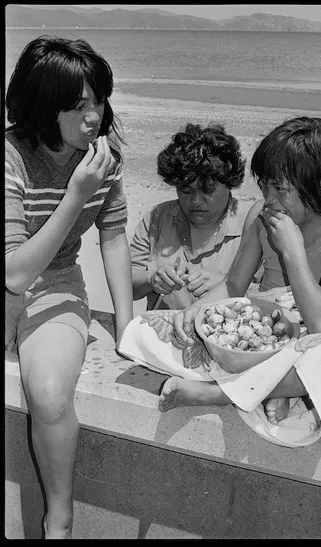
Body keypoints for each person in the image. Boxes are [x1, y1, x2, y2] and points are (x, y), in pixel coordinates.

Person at [118, 116, 321, 447]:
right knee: (148, 330)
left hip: (308, 341)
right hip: (255, 335)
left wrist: (293, 252)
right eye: (264, 187)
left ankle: (219, 393)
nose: (269, 200)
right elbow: (233, 287)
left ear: (319, 187)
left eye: (280, 189)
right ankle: (273, 388)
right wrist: (197, 310)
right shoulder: (260, 216)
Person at [5, 36, 133, 539]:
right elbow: (14, 272)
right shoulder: (11, 156)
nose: (94, 116)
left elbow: (115, 237)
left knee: (52, 393)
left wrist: (126, 327)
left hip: (57, 281)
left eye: (98, 100)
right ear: (42, 106)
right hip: (15, 275)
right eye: (78, 105)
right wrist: (75, 194)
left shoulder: (104, 159)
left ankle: (59, 517)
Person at [130, 122, 251, 311]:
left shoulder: (254, 225)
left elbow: (280, 294)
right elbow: (126, 285)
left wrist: (231, 286)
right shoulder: (156, 219)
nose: (196, 201)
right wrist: (151, 279)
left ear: (230, 183)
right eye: (186, 190)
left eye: (207, 190)